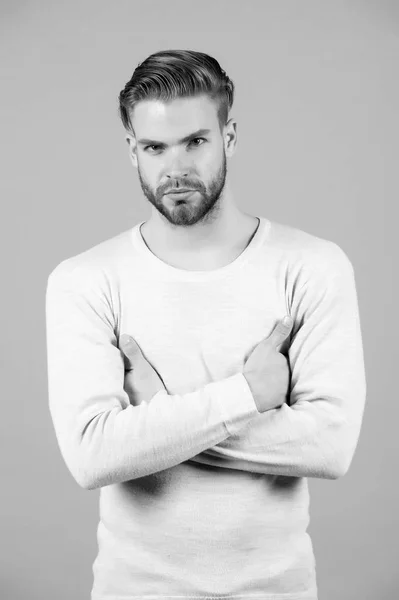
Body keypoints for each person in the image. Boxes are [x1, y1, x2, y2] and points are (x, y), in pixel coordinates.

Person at [45, 49, 367, 600]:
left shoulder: (312, 266)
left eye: (196, 141)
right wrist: (246, 395)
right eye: (154, 147)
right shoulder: (86, 280)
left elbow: (331, 448)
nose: (176, 168)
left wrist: (152, 420)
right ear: (132, 151)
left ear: (230, 137)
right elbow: (92, 456)